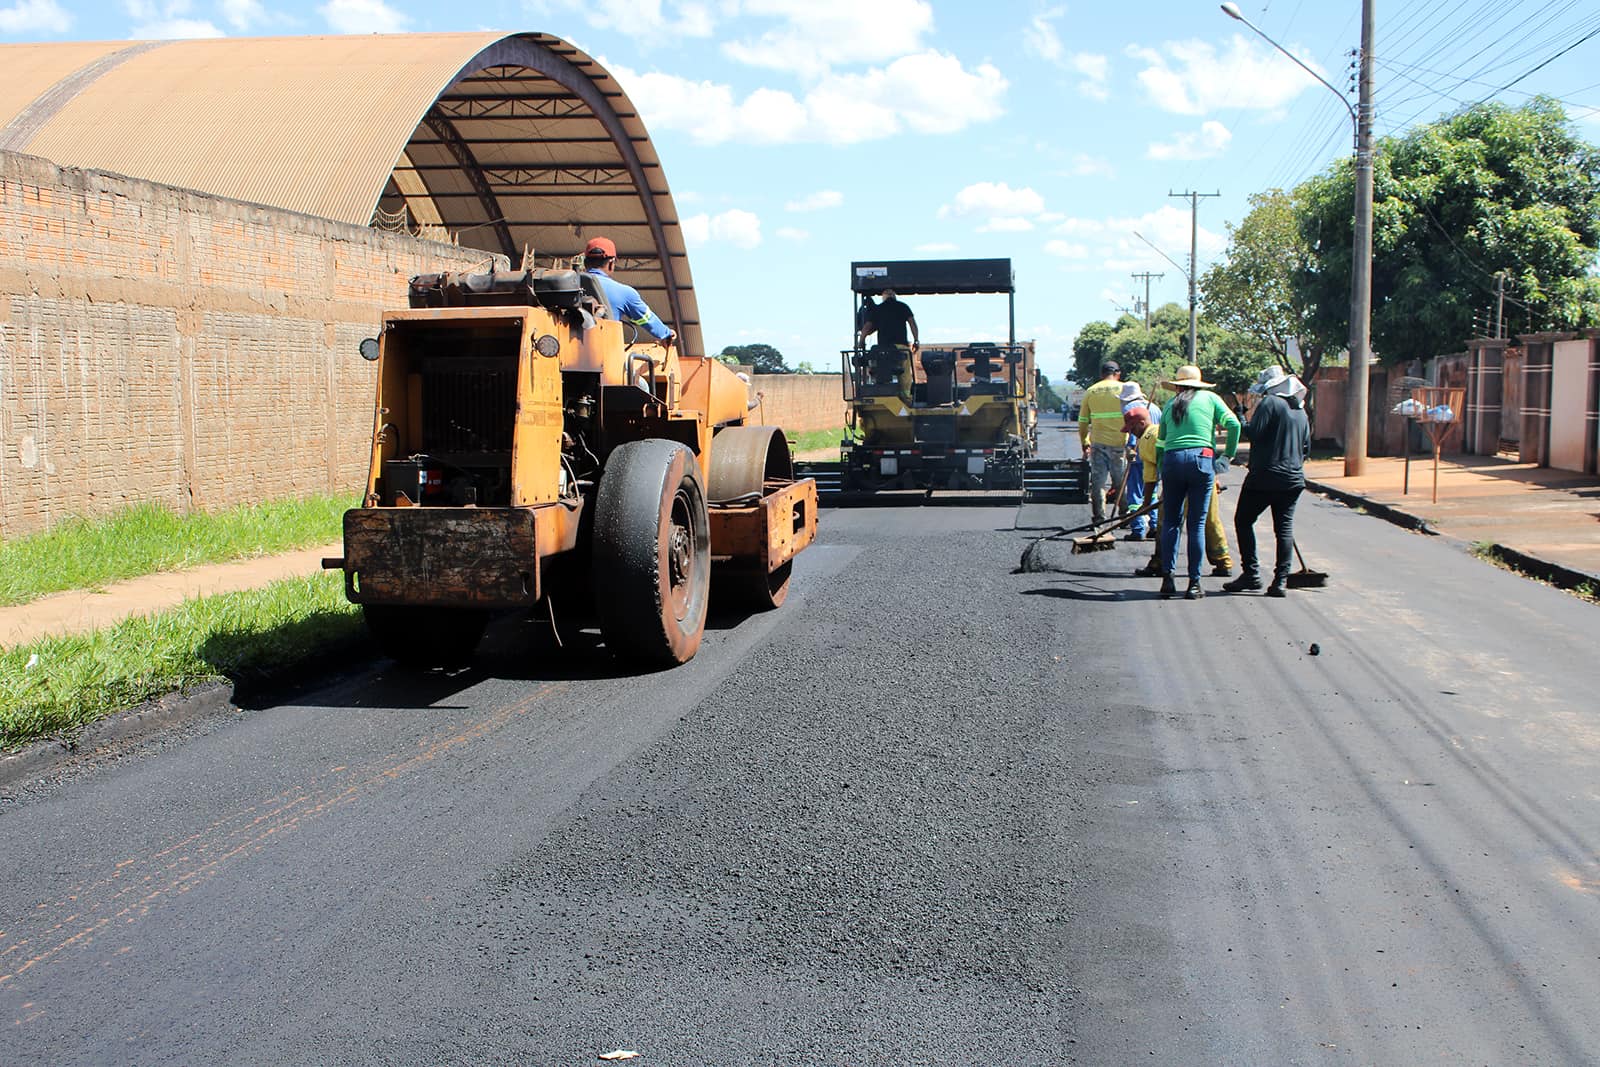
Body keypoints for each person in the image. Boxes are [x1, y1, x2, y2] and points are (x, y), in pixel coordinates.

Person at [1225, 365, 1311, 597]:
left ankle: (1251, 574)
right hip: (1293, 479)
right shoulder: (1300, 411)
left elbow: (1252, 433)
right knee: (1283, 529)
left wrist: (1240, 416)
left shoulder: (1270, 403)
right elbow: (1306, 449)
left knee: (1243, 520)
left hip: (1264, 477)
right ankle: (1280, 580)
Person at [1155, 364, 1240, 600]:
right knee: (1197, 524)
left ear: (1178, 386)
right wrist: (1227, 456)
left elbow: (1160, 443)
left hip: (1173, 460)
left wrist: (1164, 469)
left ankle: (1168, 579)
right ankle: (1193, 584)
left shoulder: (1170, 404)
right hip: (1202, 460)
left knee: (1172, 521)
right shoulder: (1211, 398)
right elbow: (1234, 424)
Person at [582, 237, 674, 345]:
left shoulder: (564, 287)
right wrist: (667, 333)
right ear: (611, 263)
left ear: (585, 263)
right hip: (604, 357)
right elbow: (647, 319)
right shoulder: (625, 293)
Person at [1079, 360, 1127, 525]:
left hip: (1098, 443)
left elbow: (1083, 421)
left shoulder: (1091, 391)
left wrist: (1085, 442)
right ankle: (1124, 514)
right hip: (1120, 443)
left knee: (1098, 482)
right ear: (1118, 373)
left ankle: (1099, 516)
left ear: (1101, 374)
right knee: (1120, 480)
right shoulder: (1124, 389)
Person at [859, 288, 918, 397]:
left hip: (883, 350)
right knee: (905, 373)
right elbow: (912, 323)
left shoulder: (878, 309)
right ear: (894, 296)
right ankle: (906, 397)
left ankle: (882, 392)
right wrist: (916, 340)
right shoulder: (903, 307)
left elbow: (867, 327)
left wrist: (860, 342)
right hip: (901, 348)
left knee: (878, 368)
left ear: (883, 297)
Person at [1118, 381, 1157, 540]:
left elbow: (1133, 432)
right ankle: (1155, 525)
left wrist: (1130, 449)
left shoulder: (1130, 410)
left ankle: (1138, 528)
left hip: (1139, 455)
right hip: (1155, 454)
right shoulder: (1154, 407)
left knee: (1134, 493)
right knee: (1151, 489)